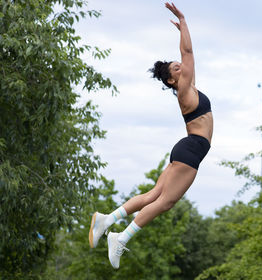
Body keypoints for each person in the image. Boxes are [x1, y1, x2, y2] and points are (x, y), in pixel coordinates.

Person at [89, 2, 213, 269]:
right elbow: (188, 50)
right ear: (171, 81)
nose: (182, 67)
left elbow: (186, 53)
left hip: (185, 148)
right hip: (191, 149)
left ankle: (106, 220)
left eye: (181, 66)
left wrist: (183, 29)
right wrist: (183, 19)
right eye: (176, 69)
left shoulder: (189, 88)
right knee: (166, 202)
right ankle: (120, 238)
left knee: (155, 194)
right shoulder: (184, 90)